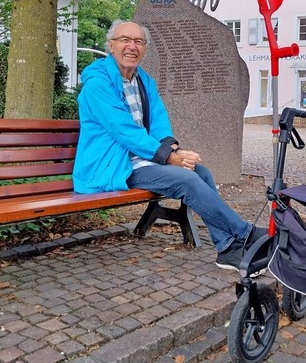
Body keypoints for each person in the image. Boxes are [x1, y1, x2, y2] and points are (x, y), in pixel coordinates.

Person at [73, 20, 265, 272]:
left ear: (145, 49)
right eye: (125, 40)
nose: (132, 47)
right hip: (112, 164)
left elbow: (159, 120)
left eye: (139, 42)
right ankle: (245, 233)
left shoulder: (144, 80)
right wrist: (169, 158)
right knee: (187, 180)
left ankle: (227, 247)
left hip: (140, 159)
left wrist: (172, 150)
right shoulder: (98, 85)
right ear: (111, 46)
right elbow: (124, 131)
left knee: (201, 172)